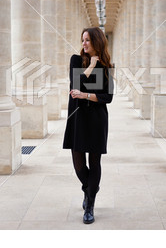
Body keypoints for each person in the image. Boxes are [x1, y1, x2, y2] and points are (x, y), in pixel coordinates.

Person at [63, 27, 114, 224]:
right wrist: (91, 65)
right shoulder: (76, 60)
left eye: (88, 40)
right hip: (77, 117)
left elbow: (107, 97)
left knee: (95, 163)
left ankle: (90, 204)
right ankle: (90, 188)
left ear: (97, 42)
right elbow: (74, 84)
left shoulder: (107, 66)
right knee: (78, 164)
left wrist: (85, 95)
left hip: (96, 119)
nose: (84, 44)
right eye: (82, 40)